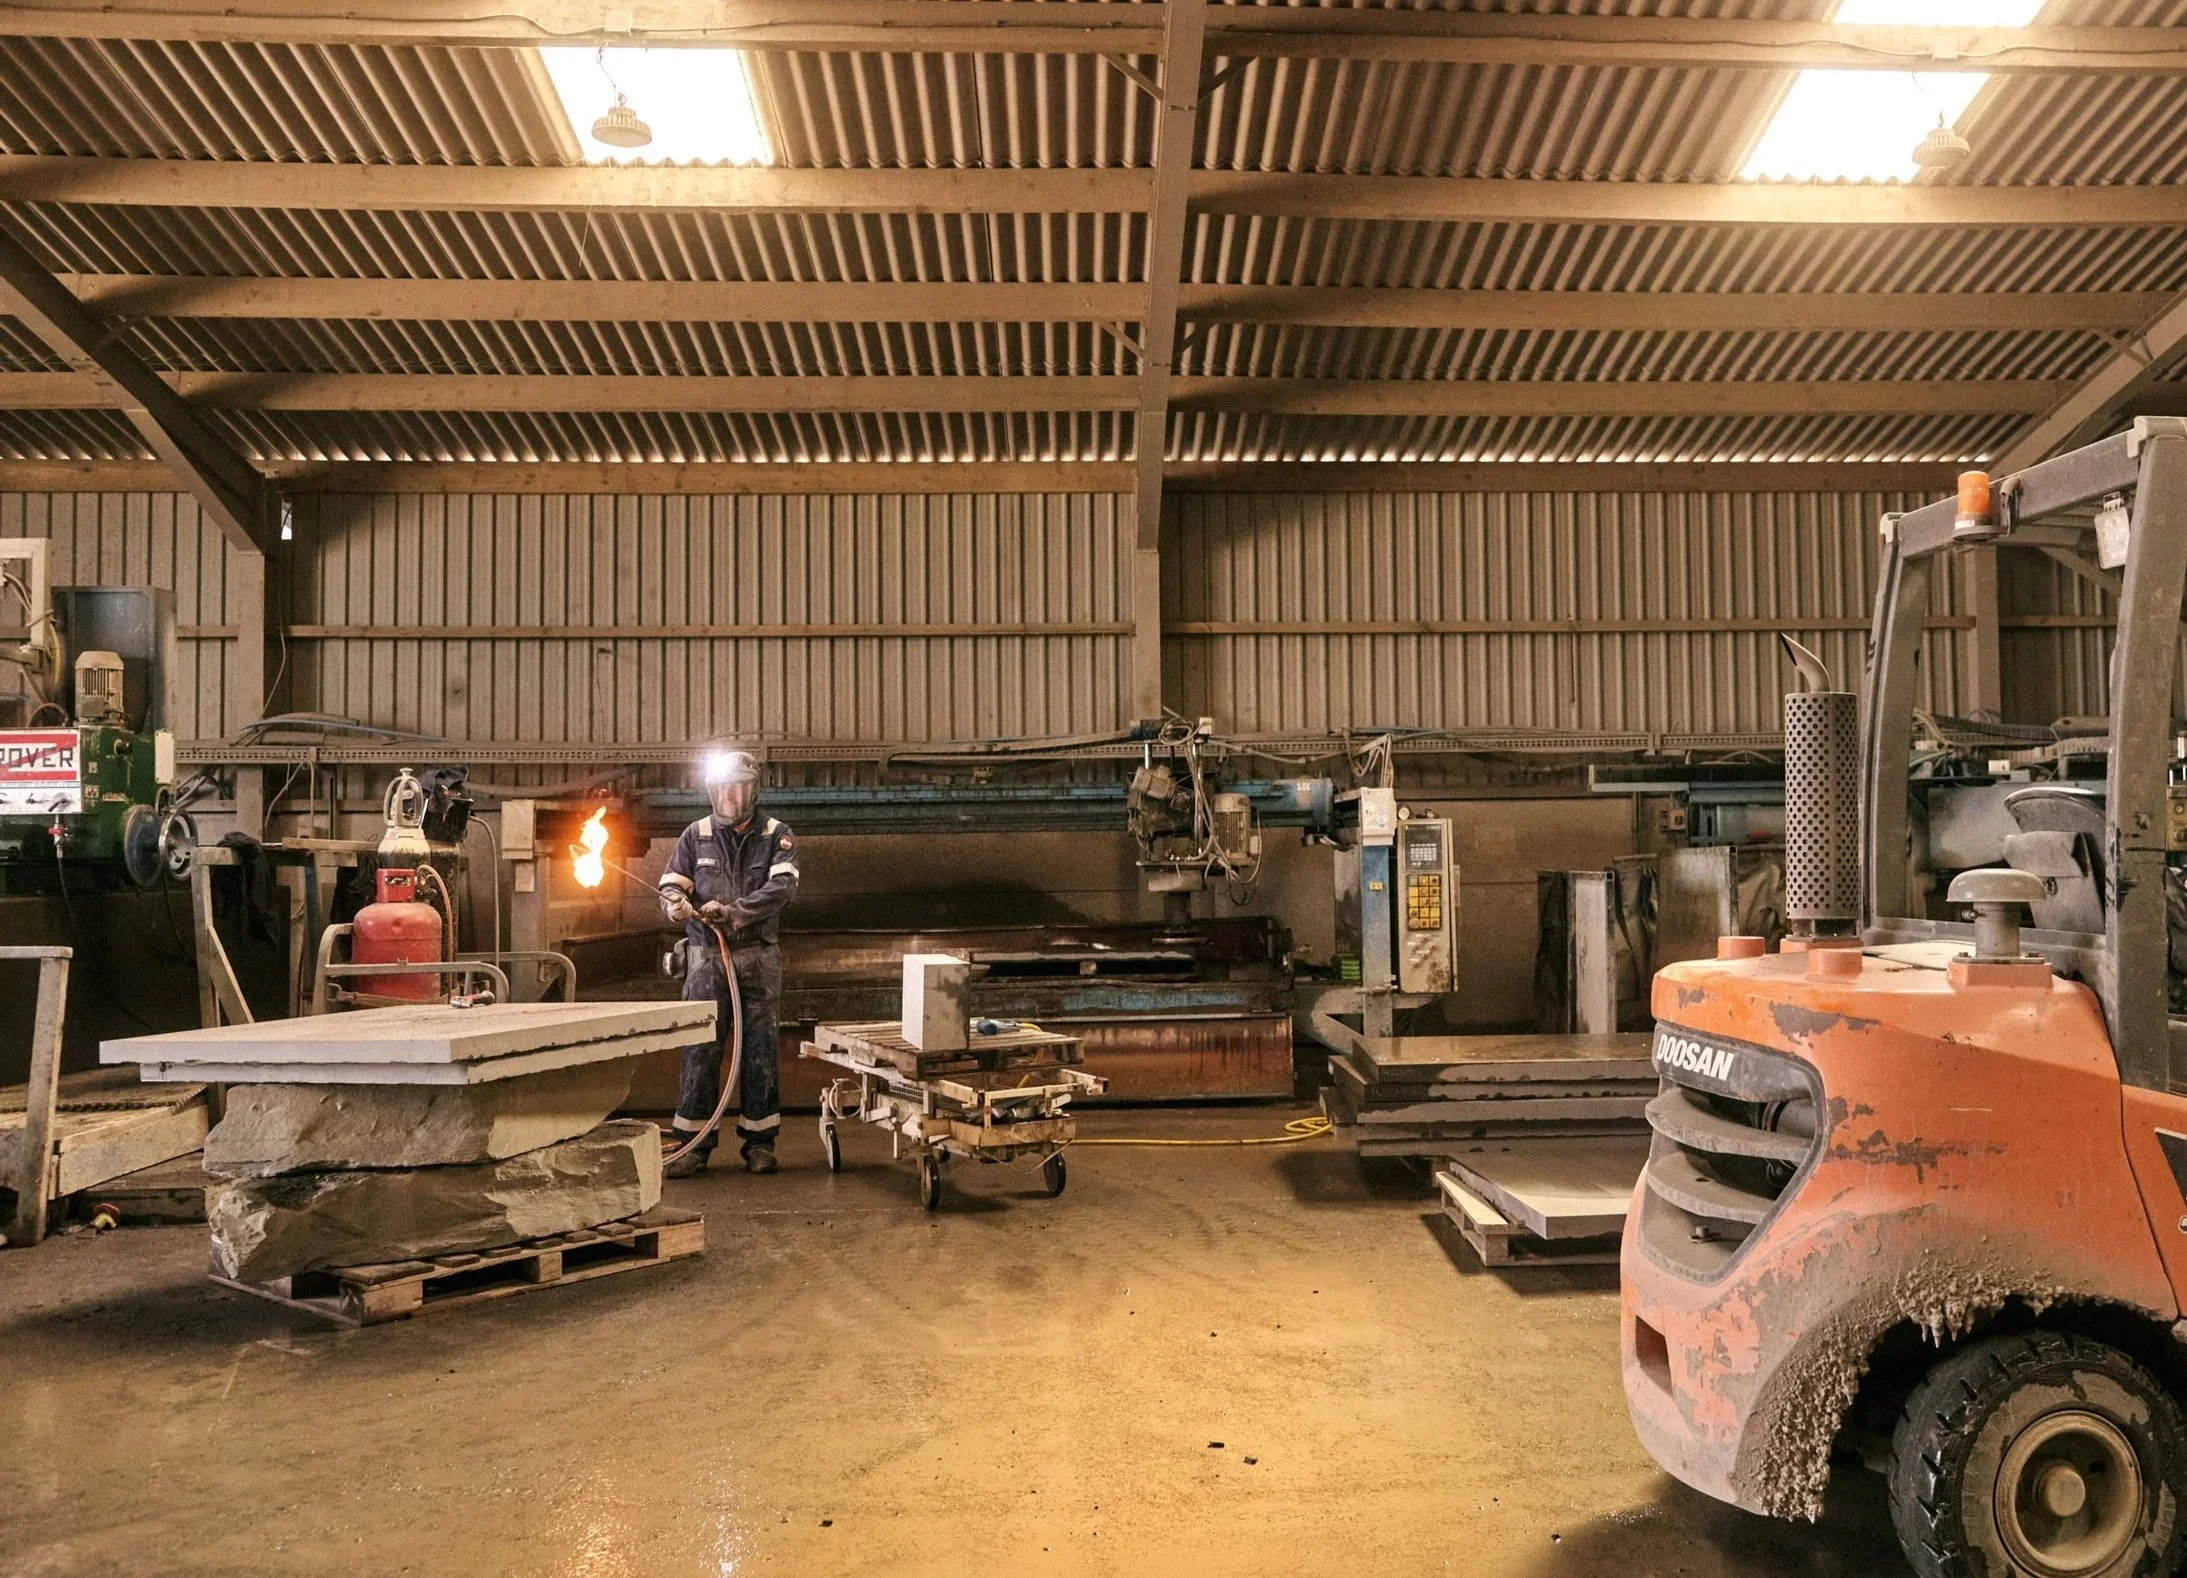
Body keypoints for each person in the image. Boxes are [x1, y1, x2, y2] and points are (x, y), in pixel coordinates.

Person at [657, 749, 798, 1177]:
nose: (730, 797)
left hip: (757, 959)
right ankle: (693, 1145)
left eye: (738, 788)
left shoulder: (776, 834)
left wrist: (734, 912)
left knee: (759, 1052)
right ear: (712, 791)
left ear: (753, 790)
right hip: (706, 960)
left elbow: (783, 888)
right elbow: (670, 885)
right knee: (700, 1049)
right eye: (722, 789)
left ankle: (759, 1143)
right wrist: (676, 906)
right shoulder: (694, 835)